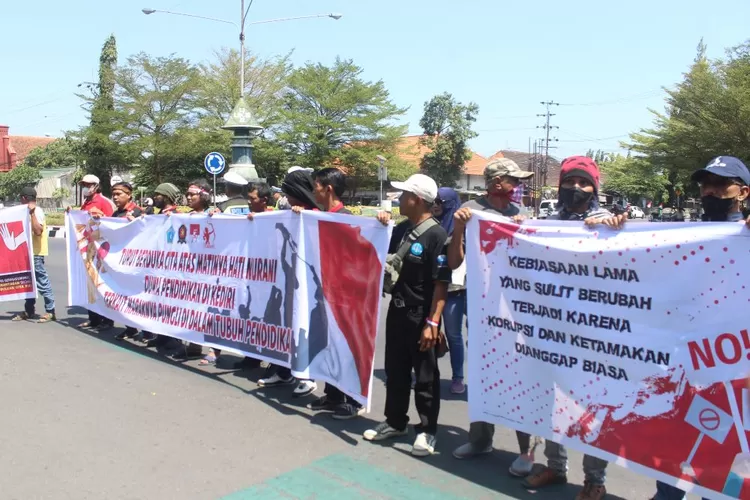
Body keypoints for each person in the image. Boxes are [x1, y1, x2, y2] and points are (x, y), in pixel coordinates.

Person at [521, 156, 624, 500]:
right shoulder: (548, 223)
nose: (576, 189)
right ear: (559, 186)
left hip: (593, 338)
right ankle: (555, 467)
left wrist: (615, 230)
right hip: (551, 333)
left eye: (584, 183)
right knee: (552, 404)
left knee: (593, 410)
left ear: (595, 188)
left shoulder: (608, 224)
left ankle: (594, 480)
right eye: (569, 182)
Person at [649, 155, 750, 500]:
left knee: (718, 457)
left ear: (743, 192)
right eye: (706, 184)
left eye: (722, 185)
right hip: (683, 366)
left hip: (731, 369)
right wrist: (611, 226)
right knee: (671, 450)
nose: (711, 191)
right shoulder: (681, 234)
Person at [449, 158, 537, 476]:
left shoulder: (522, 215)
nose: (519, 185)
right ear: (497, 181)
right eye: (514, 179)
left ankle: (526, 450)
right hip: (483, 310)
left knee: (520, 377)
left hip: (517, 312)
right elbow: (454, 261)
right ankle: (480, 439)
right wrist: (459, 227)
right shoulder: (471, 211)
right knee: (483, 373)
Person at [362, 173, 450, 457]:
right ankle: (395, 422)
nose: (398, 199)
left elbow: (441, 283)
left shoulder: (437, 235)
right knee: (395, 372)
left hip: (422, 316)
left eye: (402, 195)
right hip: (397, 313)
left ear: (417, 200)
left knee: (425, 378)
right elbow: (376, 254)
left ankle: (427, 431)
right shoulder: (399, 230)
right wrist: (379, 225)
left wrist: (433, 322)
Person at [305, 167, 365, 419]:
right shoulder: (316, 216)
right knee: (328, 346)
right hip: (324, 293)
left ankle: (353, 399)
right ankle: (333, 395)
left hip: (345, 296)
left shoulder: (347, 218)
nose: (313, 191)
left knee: (346, 347)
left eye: (315, 186)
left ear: (328, 188)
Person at [257, 169, 321, 395]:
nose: (286, 198)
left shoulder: (315, 214)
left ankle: (307, 375)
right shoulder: (289, 212)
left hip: (309, 283)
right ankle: (284, 371)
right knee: (286, 324)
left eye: (289, 192)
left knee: (304, 327)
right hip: (288, 279)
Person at [169, 180, 212, 361]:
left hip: (207, 270)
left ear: (203, 196)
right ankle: (191, 345)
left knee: (206, 311)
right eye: (187, 194)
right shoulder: (184, 216)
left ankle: (211, 348)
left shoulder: (213, 215)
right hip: (187, 270)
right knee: (188, 309)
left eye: (192, 194)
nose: (188, 197)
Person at [432, 187, 466, 394]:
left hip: (454, 289)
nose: (435, 205)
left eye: (440, 202)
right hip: (431, 287)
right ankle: (426, 373)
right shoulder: (428, 224)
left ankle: (458, 377)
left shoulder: (462, 227)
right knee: (429, 331)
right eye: (433, 201)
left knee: (453, 335)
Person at [139, 183, 180, 347]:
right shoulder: (156, 215)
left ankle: (173, 336)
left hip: (172, 268)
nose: (155, 197)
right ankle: (162, 335)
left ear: (167, 196)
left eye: (158, 194)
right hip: (158, 267)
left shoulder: (177, 215)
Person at [11, 187, 56, 323]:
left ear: (24, 198)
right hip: (27, 253)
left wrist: (31, 214)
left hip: (36, 253)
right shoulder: (25, 211)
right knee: (28, 283)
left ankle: (50, 311)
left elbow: (38, 231)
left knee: (42, 282)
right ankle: (29, 310)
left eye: (20, 198)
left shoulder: (37, 211)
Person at [77, 174, 115, 330]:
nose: (86, 187)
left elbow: (112, 223)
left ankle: (107, 320)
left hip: (101, 248)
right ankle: (93, 318)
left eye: (89, 185)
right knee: (89, 285)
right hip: (88, 248)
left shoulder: (103, 202)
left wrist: (102, 216)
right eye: (84, 185)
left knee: (102, 283)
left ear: (96, 186)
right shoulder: (86, 202)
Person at [110, 182, 143, 341]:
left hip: (136, 264)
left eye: (119, 194)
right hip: (119, 263)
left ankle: (147, 331)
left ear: (129, 194)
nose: (115, 197)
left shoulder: (139, 212)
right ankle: (130, 328)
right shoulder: (115, 214)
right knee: (121, 297)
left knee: (137, 298)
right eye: (114, 194)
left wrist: (135, 222)